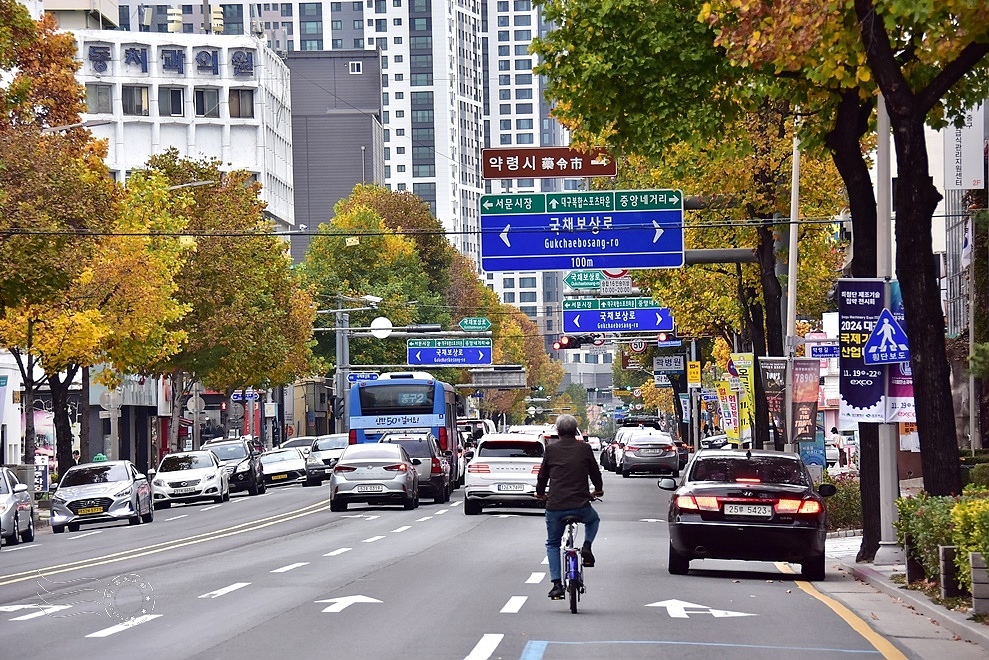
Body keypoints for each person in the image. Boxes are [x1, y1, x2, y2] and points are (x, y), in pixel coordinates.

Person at [535, 414, 604, 600]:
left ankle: (557, 584)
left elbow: (542, 476)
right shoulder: (584, 448)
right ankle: (587, 546)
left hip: (556, 506)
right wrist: (598, 489)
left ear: (558, 430)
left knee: (553, 543)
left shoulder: (551, 449)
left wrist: (540, 493)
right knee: (593, 519)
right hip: (581, 505)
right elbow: (594, 472)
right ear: (575, 430)